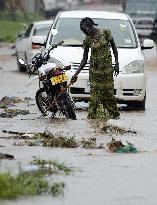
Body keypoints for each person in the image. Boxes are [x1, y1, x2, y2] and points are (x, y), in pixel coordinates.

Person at [71, 17, 120, 120]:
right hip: (94, 72)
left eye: (85, 30)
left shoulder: (106, 32)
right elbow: (84, 59)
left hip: (106, 71)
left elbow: (114, 48)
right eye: (82, 31)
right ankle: (92, 119)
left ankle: (114, 116)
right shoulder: (87, 40)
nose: (84, 32)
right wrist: (76, 73)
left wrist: (116, 63)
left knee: (109, 95)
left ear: (90, 26)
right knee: (94, 97)